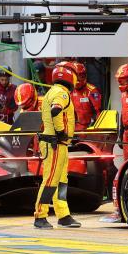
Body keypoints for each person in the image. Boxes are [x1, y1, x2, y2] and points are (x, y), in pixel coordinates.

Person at [34, 63, 81, 229]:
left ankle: (63, 215)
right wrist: (61, 131)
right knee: (50, 180)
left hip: (58, 144)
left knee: (61, 181)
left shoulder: (52, 91)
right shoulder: (62, 93)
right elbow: (56, 110)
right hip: (54, 143)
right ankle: (40, 216)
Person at [66, 61, 102, 131]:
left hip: (89, 128)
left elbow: (98, 112)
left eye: (81, 76)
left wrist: (96, 128)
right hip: (73, 128)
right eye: (76, 76)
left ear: (84, 76)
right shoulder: (69, 91)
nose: (79, 79)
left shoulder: (92, 91)